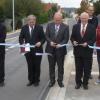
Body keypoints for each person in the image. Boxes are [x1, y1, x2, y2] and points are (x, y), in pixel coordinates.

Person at [70, 12, 96, 90]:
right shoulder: (75, 26)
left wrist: (87, 43)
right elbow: (72, 37)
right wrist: (73, 41)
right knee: (78, 69)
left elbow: (93, 39)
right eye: (82, 18)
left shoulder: (92, 27)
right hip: (77, 52)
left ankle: (85, 83)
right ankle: (78, 83)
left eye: (85, 18)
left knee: (87, 69)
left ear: (88, 18)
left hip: (87, 52)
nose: (83, 20)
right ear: (80, 18)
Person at [19, 15, 45, 87]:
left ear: (35, 21)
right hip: (27, 50)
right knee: (30, 66)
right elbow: (21, 38)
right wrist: (22, 44)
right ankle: (31, 80)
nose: (32, 23)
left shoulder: (39, 28)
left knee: (37, 66)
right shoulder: (24, 28)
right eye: (30, 22)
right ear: (28, 21)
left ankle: (36, 80)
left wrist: (40, 42)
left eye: (33, 22)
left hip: (38, 50)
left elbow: (43, 38)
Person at [45, 12, 69, 88]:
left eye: (59, 20)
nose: (57, 22)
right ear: (53, 19)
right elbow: (46, 36)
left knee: (60, 66)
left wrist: (61, 44)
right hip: (50, 49)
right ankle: (52, 81)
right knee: (51, 66)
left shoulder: (65, 27)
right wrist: (50, 42)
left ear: (61, 19)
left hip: (60, 51)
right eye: (56, 20)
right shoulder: (49, 25)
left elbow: (66, 39)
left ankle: (60, 81)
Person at [0, 20, 6, 87]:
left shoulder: (2, 26)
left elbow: (3, 38)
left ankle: (1, 80)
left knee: (1, 65)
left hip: (0, 50)